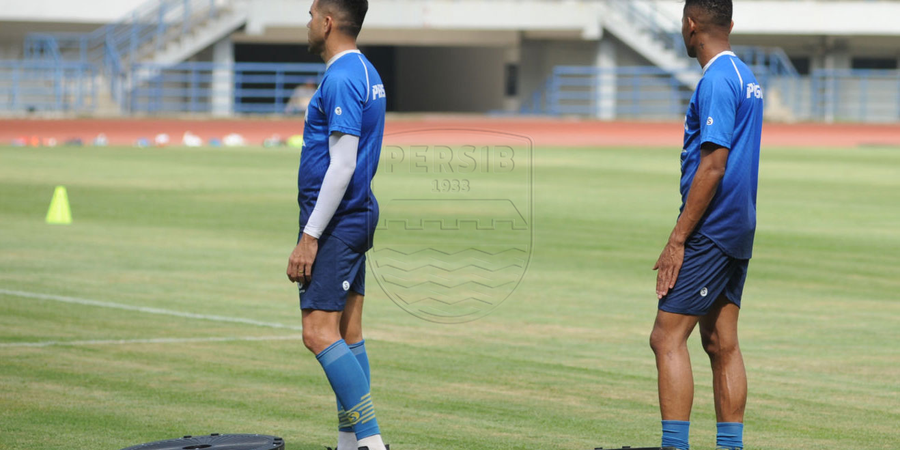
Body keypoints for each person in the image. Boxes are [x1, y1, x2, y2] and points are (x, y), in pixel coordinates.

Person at [649, 1, 763, 449]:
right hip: (739, 225)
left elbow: (713, 166)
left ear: (690, 24)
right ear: (729, 25)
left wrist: (678, 238)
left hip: (711, 229)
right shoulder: (745, 77)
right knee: (720, 342)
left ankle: (675, 446)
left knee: (666, 338)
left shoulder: (716, 79)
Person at [285, 1, 388, 449]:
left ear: (327, 23)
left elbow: (342, 165)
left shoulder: (342, 77)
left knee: (317, 333)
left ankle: (370, 443)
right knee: (349, 333)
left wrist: (310, 237)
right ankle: (351, 445)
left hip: (337, 221)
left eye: (310, 15)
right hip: (356, 213)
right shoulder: (366, 70)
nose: (306, 23)